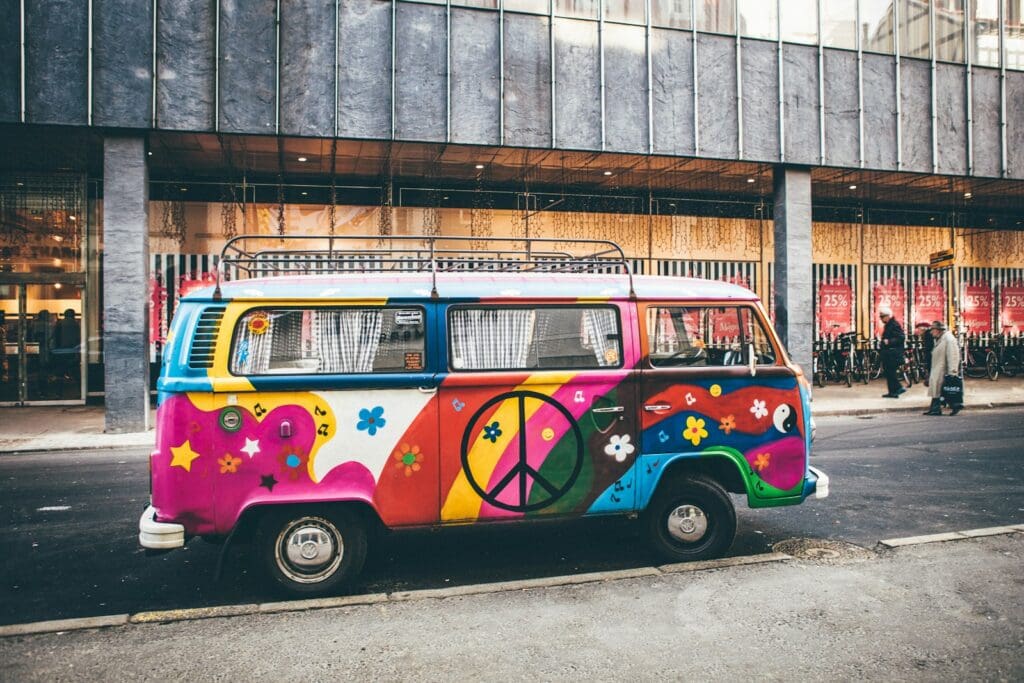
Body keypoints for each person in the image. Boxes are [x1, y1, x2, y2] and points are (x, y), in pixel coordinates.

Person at [923, 320, 962, 416]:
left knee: (947, 390)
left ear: (938, 330)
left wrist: (952, 371)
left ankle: (955, 406)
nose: (931, 332)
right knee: (938, 390)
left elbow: (953, 355)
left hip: (944, 370)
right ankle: (934, 409)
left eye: (932, 330)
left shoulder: (948, 339)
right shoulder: (941, 338)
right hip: (938, 369)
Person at [878, 305, 906, 398]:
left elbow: (901, 337)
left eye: (882, 316)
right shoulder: (889, 324)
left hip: (893, 354)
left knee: (890, 372)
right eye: (880, 317)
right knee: (889, 372)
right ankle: (892, 392)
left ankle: (899, 388)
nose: (881, 319)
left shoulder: (894, 324)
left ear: (888, 316)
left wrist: (889, 341)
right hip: (890, 354)